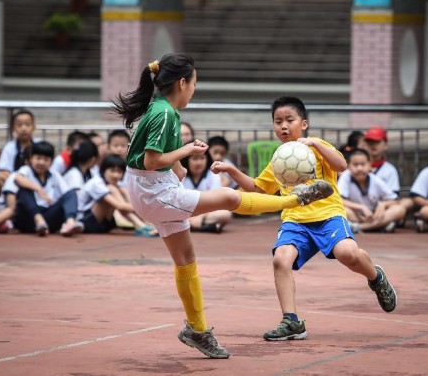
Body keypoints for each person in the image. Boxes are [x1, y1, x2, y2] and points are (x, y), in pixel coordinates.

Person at [111, 54, 332, 359]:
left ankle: (197, 330)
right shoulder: (165, 114)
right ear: (182, 83)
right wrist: (186, 151)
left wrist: (176, 167)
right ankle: (297, 198)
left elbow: (151, 156)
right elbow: (150, 160)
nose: (194, 89)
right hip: (151, 190)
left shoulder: (162, 109)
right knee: (228, 198)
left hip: (151, 185)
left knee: (185, 257)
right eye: (195, 83)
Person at [212, 96, 397, 342]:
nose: (284, 126)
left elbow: (342, 165)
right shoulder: (280, 158)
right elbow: (258, 188)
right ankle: (291, 321)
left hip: (329, 216)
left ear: (304, 123)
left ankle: (376, 277)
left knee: (348, 254)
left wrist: (316, 145)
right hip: (295, 221)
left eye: (290, 120)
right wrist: (231, 170)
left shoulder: (317, 146)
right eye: (278, 121)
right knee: (281, 259)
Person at [12, 141, 84, 237]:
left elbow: (67, 193)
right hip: (28, 219)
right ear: (31, 158)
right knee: (23, 190)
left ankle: (69, 224)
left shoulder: (54, 174)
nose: (41, 162)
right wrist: (38, 189)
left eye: (46, 159)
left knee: (71, 193)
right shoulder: (26, 170)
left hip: (48, 216)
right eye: (38, 158)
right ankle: (39, 221)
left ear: (51, 162)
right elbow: (18, 179)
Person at [78, 154, 158, 236]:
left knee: (121, 189)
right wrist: (142, 207)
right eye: (112, 171)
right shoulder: (96, 183)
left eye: (119, 172)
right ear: (104, 170)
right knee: (112, 189)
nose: (116, 175)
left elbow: (127, 203)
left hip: (105, 224)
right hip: (87, 222)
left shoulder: (117, 185)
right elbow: (120, 206)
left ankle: (147, 225)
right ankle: (141, 226)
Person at [338, 148, 406, 233]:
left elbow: (395, 200)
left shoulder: (376, 180)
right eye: (355, 164)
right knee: (340, 209)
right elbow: (339, 200)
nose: (359, 168)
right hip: (356, 215)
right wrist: (361, 208)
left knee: (400, 209)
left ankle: (360, 227)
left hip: (375, 216)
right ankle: (379, 226)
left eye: (363, 164)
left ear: (370, 165)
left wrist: (382, 205)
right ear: (348, 166)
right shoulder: (345, 177)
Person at [363, 126, 414, 224]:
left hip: (383, 209)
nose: (373, 145)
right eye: (370, 142)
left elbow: (394, 198)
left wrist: (382, 205)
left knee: (404, 204)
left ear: (385, 145)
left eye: (377, 142)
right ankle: (383, 224)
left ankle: (363, 225)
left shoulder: (389, 169)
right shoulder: (357, 166)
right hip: (361, 209)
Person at [181, 152, 232, 233]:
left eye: (202, 158)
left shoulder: (213, 175)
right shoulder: (181, 174)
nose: (199, 163)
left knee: (225, 214)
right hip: (185, 213)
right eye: (195, 159)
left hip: (206, 212)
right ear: (187, 160)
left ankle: (189, 226)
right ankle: (207, 227)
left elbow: (216, 201)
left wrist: (200, 217)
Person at [0, 109, 41, 189]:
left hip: (38, 184)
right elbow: (4, 171)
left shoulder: (40, 144)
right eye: (19, 125)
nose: (24, 128)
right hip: (15, 185)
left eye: (27, 124)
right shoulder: (9, 147)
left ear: (34, 127)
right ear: (13, 128)